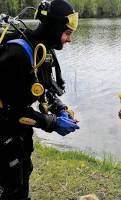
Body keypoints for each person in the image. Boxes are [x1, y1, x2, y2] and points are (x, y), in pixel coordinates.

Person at [0, 0, 79, 199]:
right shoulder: (16, 55)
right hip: (3, 130)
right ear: (54, 28)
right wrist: (52, 123)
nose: (69, 39)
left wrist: (60, 108)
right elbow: (13, 111)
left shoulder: (43, 51)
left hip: (18, 133)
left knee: (23, 173)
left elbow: (46, 89)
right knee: (11, 184)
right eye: (67, 33)